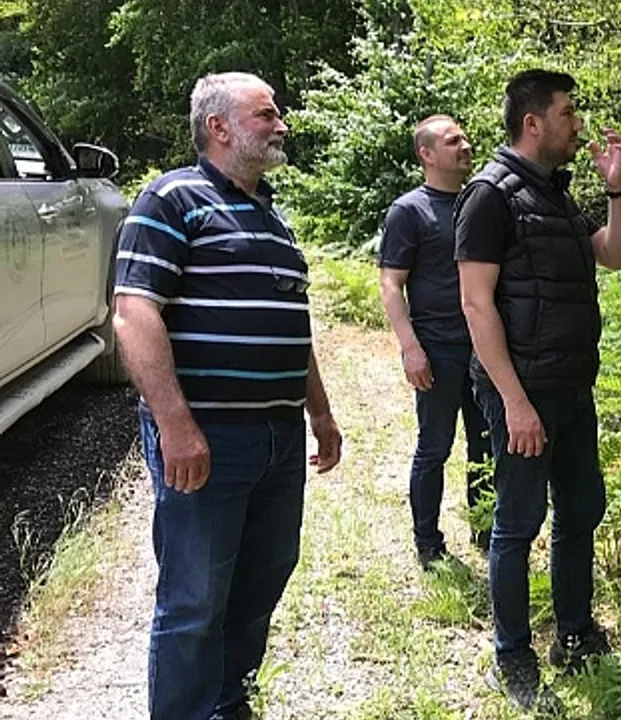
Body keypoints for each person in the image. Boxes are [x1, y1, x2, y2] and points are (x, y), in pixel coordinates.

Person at [112, 72, 343, 720]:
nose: (281, 125)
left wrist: (320, 411)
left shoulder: (273, 217)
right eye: (266, 114)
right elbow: (133, 313)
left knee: (264, 576)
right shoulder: (171, 199)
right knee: (195, 597)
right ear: (219, 127)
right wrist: (175, 425)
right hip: (208, 436)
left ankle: (227, 699)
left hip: (278, 438)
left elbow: (290, 325)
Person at [454, 68, 621, 710]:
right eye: (567, 113)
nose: (577, 124)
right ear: (533, 123)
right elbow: (476, 305)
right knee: (518, 522)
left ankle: (575, 634)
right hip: (522, 392)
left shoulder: (555, 195)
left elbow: (616, 256)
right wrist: (514, 401)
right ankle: (512, 656)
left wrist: (615, 188)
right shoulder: (490, 196)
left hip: (571, 387)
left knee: (581, 510)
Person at [378, 114, 493, 567]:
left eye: (464, 137)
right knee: (435, 446)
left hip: (484, 348)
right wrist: (411, 347)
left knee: (486, 445)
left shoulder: (480, 202)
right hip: (437, 348)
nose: (465, 145)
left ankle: (488, 531)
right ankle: (428, 542)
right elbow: (391, 284)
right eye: (452, 140)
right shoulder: (410, 211)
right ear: (426, 154)